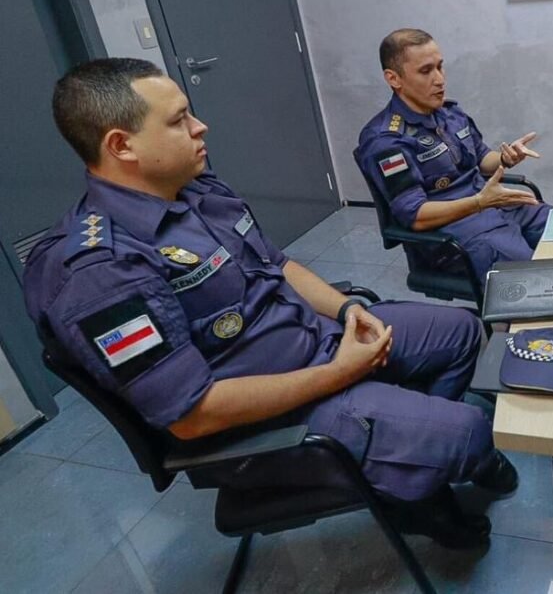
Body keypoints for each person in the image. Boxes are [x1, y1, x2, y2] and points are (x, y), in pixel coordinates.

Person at [23, 58, 517, 549]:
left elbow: (277, 265)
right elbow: (192, 416)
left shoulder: (196, 189)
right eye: (178, 120)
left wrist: (346, 310)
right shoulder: (100, 272)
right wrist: (340, 373)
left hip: (317, 342)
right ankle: (424, 483)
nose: (200, 126)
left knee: (464, 334)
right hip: (267, 420)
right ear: (120, 145)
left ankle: (413, 465)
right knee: (474, 430)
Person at [355, 28, 552, 281]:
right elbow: (416, 216)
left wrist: (505, 158)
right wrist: (479, 202)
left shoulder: (449, 114)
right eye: (426, 71)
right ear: (394, 79)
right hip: (458, 235)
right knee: (540, 282)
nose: (439, 79)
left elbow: (482, 159)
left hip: (498, 208)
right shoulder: (386, 140)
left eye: (440, 67)